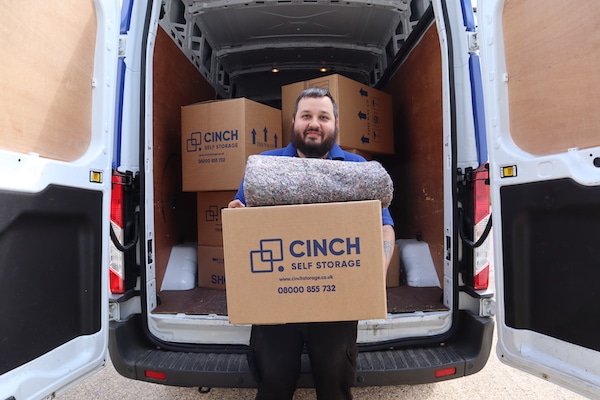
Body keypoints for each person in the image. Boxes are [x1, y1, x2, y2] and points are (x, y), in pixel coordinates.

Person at [228, 87, 395, 400]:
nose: (314, 123)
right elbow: (241, 219)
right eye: (306, 116)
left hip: (337, 299)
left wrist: (374, 274)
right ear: (294, 122)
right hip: (276, 299)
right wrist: (237, 216)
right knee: (273, 385)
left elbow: (384, 227)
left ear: (335, 124)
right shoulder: (266, 167)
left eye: (323, 117)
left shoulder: (357, 170)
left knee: (335, 387)